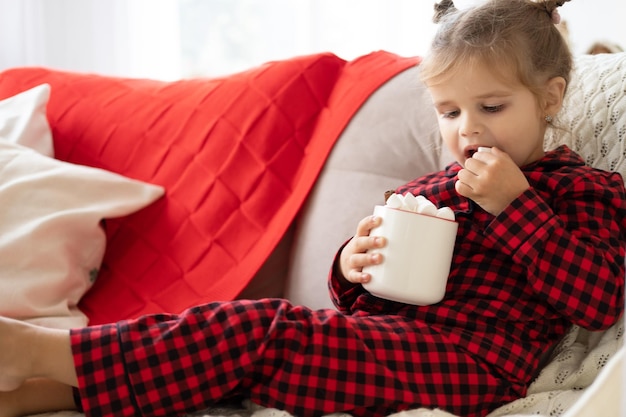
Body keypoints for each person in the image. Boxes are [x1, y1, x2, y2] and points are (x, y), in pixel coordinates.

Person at [1, 0, 625, 416]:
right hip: (406, 338)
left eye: (492, 108)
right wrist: (354, 268)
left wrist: (515, 206)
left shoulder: (578, 190)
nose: (468, 130)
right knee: (241, 357)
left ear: (550, 99)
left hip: (479, 361)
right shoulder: (434, 189)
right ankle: (46, 390)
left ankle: (41, 350)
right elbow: (375, 303)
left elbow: (598, 298)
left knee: (263, 329)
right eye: (449, 112)